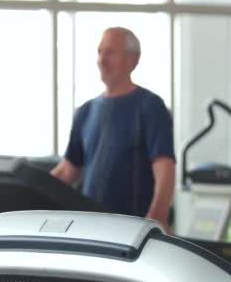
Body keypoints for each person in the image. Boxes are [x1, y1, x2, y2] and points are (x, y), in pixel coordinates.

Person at [51, 27, 175, 233]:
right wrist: (27, 190)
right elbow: (68, 170)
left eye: (110, 52)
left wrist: (157, 217)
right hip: (89, 229)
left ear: (133, 59)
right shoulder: (85, 111)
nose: (101, 59)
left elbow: (165, 167)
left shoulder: (149, 106)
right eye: (100, 52)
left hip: (132, 230)